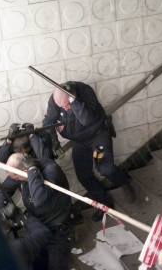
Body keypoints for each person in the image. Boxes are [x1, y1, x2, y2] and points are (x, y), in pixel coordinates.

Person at [0, 153, 93, 270]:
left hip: (59, 235)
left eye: (17, 177)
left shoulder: (50, 171)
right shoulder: (18, 174)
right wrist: (2, 211)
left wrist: (32, 171)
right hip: (39, 232)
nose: (15, 181)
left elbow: (39, 198)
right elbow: (4, 188)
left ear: (25, 170)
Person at [43, 81, 135, 222]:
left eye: (67, 105)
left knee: (104, 168)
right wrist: (54, 141)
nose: (65, 109)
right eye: (62, 107)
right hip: (80, 143)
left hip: (97, 138)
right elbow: (49, 121)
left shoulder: (85, 92)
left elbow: (87, 119)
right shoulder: (56, 100)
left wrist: (73, 102)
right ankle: (104, 203)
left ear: (73, 95)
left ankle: (123, 181)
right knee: (84, 175)